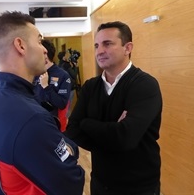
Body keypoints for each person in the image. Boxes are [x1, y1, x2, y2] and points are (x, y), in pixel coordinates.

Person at [0, 11, 84, 195]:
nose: (45, 49)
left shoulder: (0, 96)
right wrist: (71, 148)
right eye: (39, 41)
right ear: (20, 45)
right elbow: (73, 181)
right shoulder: (31, 118)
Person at [65, 21, 163, 195]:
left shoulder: (145, 85)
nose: (99, 51)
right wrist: (113, 131)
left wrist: (87, 123)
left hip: (138, 186)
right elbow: (73, 130)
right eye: (96, 45)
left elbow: (126, 138)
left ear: (128, 48)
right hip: (101, 181)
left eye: (107, 44)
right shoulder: (90, 86)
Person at [34, 39, 71, 131]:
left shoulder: (63, 75)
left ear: (45, 54)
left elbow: (61, 103)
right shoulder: (34, 73)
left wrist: (46, 87)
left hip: (53, 125)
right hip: (35, 122)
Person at [58, 50, 79, 117]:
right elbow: (74, 75)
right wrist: (75, 67)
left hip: (63, 88)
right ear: (63, 57)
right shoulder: (66, 65)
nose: (68, 56)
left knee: (65, 106)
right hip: (70, 88)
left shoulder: (59, 65)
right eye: (66, 55)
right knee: (68, 106)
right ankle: (67, 121)